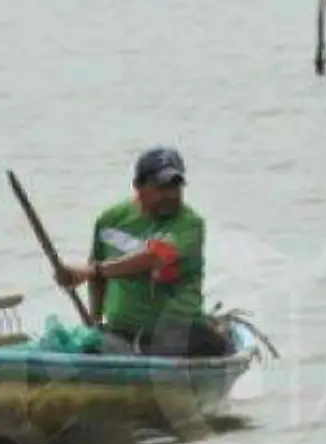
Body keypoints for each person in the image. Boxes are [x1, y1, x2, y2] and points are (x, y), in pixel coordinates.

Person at [52, 146, 235, 358]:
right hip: (124, 331)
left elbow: (155, 257)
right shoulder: (110, 220)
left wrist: (93, 271)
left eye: (176, 186)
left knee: (209, 342)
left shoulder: (190, 224)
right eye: (161, 187)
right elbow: (97, 278)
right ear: (138, 186)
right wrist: (94, 321)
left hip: (179, 333)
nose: (170, 195)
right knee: (90, 345)